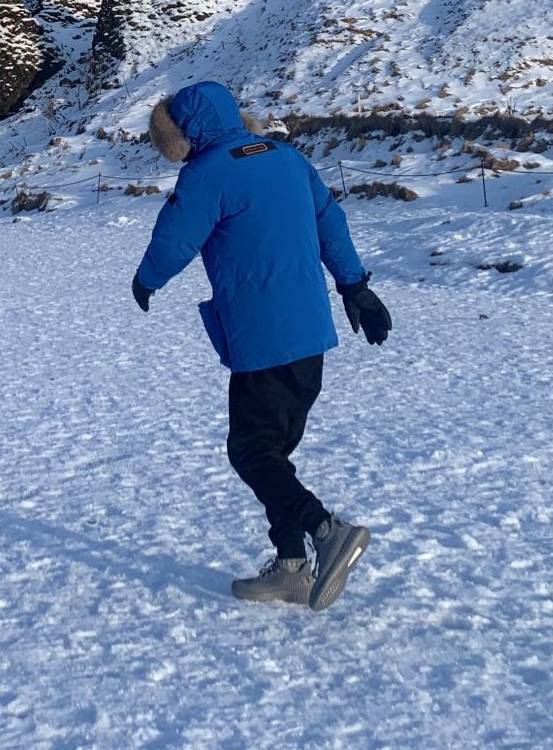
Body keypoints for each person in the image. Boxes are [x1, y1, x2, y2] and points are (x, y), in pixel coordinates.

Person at [130, 81, 391, 611]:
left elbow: (176, 236)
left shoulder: (206, 174)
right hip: (310, 334)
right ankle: (291, 565)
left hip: (262, 336)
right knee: (273, 452)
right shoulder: (288, 158)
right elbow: (330, 224)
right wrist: (355, 287)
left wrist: (146, 280)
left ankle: (325, 529)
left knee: (250, 450)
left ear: (181, 130)